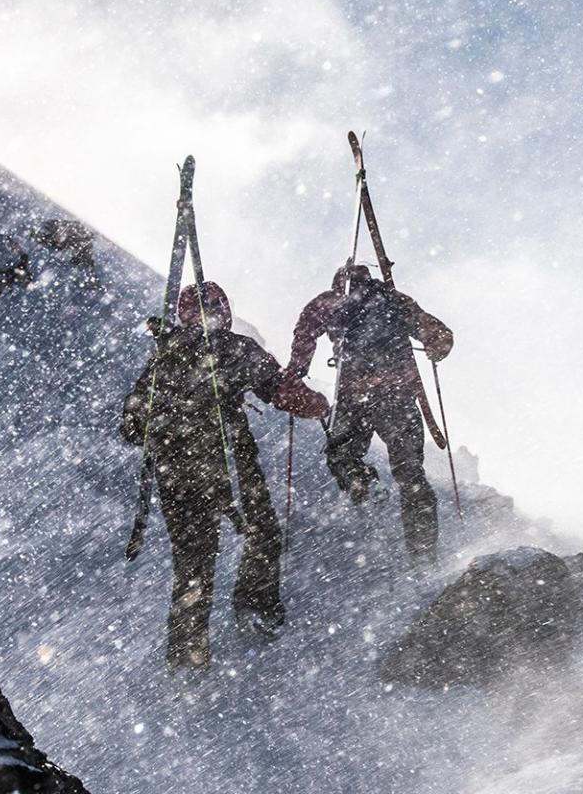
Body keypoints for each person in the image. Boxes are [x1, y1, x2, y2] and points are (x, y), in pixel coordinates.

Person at [121, 281, 327, 672]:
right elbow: (280, 389)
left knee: (194, 563)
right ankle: (255, 609)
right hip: (226, 467)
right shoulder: (234, 349)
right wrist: (316, 404)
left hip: (174, 475)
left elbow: (131, 425)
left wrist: (162, 418)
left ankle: (186, 658)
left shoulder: (164, 357)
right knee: (261, 531)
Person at [288, 265, 453, 563]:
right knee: (410, 473)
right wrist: (436, 344)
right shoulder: (393, 299)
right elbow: (437, 332)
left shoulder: (331, 301)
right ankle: (423, 552)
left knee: (341, 455)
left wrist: (297, 370)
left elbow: (305, 332)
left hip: (355, 396)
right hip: (398, 397)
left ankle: (364, 484)